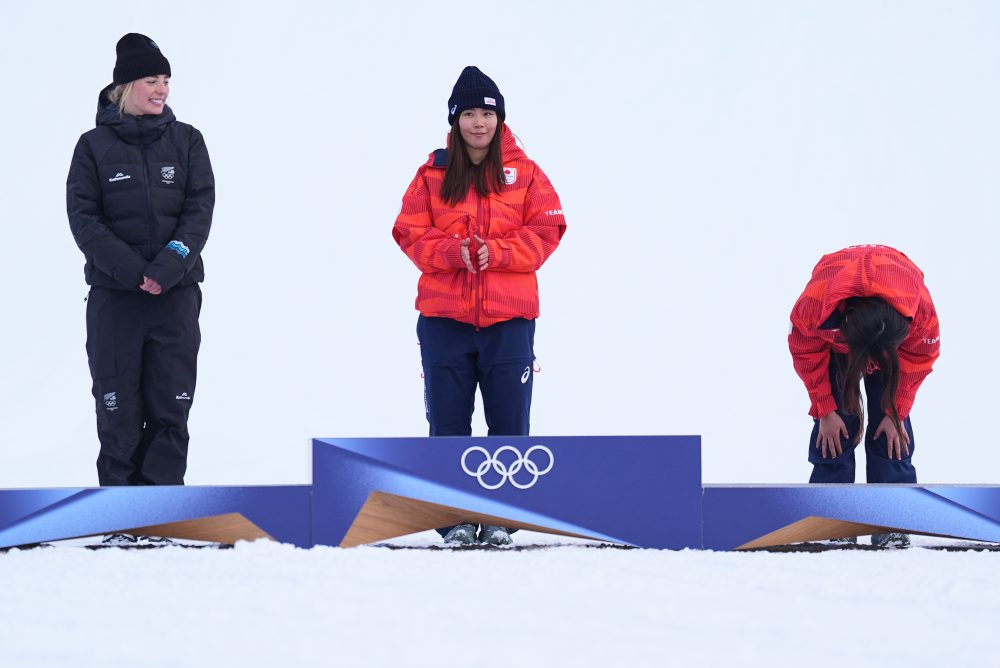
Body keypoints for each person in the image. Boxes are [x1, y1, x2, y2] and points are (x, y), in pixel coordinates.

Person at [392, 66, 567, 546]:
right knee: (447, 423)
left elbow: (548, 228)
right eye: (468, 113)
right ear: (455, 120)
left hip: (509, 321)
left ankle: (500, 519)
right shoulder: (432, 173)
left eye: (486, 113)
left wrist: (501, 252)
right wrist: (453, 252)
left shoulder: (526, 172)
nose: (478, 123)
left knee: (509, 422)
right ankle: (454, 522)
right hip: (444, 320)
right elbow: (408, 231)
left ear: (499, 118)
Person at [66, 34, 214, 512]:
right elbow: (84, 219)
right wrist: (135, 273)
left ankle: (164, 507)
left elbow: (199, 208)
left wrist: (168, 267)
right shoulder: (92, 147)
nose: (162, 89)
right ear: (124, 87)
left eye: (167, 80)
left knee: (171, 405)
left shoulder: (188, 141)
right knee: (118, 408)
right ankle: (118, 510)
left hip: (175, 296)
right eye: (152, 79)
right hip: (117, 301)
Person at [788, 245, 940, 547]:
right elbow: (804, 349)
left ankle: (893, 519)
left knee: (892, 432)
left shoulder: (919, 311)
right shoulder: (815, 308)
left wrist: (896, 410)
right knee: (835, 430)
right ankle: (830, 519)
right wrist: (825, 410)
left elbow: (922, 355)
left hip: (889, 343)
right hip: (838, 338)